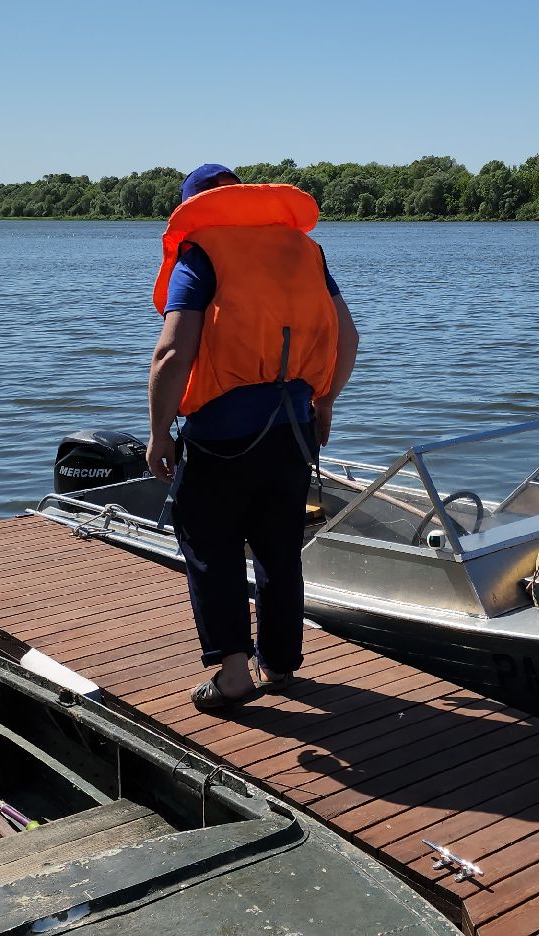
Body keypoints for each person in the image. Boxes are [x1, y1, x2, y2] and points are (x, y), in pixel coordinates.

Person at [145, 163, 358, 711]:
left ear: (193, 206)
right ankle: (281, 664)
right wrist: (325, 402)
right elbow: (348, 334)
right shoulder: (303, 249)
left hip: (221, 434)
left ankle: (234, 676)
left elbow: (172, 353)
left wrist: (158, 433)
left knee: (210, 547)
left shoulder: (203, 251)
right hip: (294, 427)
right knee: (280, 548)